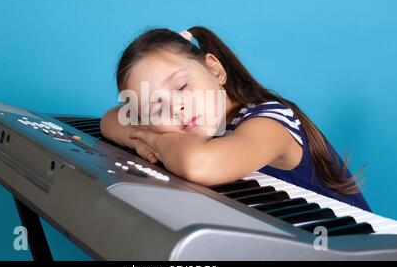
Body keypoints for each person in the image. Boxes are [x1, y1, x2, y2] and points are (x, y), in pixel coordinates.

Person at [100, 26, 371, 212]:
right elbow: (110, 120)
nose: (177, 109)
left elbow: (200, 164)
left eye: (181, 87)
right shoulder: (199, 125)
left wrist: (150, 139)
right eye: (156, 108)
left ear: (215, 70)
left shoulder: (270, 120)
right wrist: (140, 141)